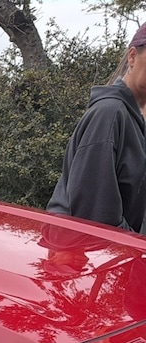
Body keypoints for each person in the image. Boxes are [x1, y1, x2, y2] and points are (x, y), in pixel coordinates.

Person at [47, 23, 146, 233]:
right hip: (80, 256)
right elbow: (96, 218)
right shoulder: (109, 114)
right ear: (132, 57)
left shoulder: (136, 120)